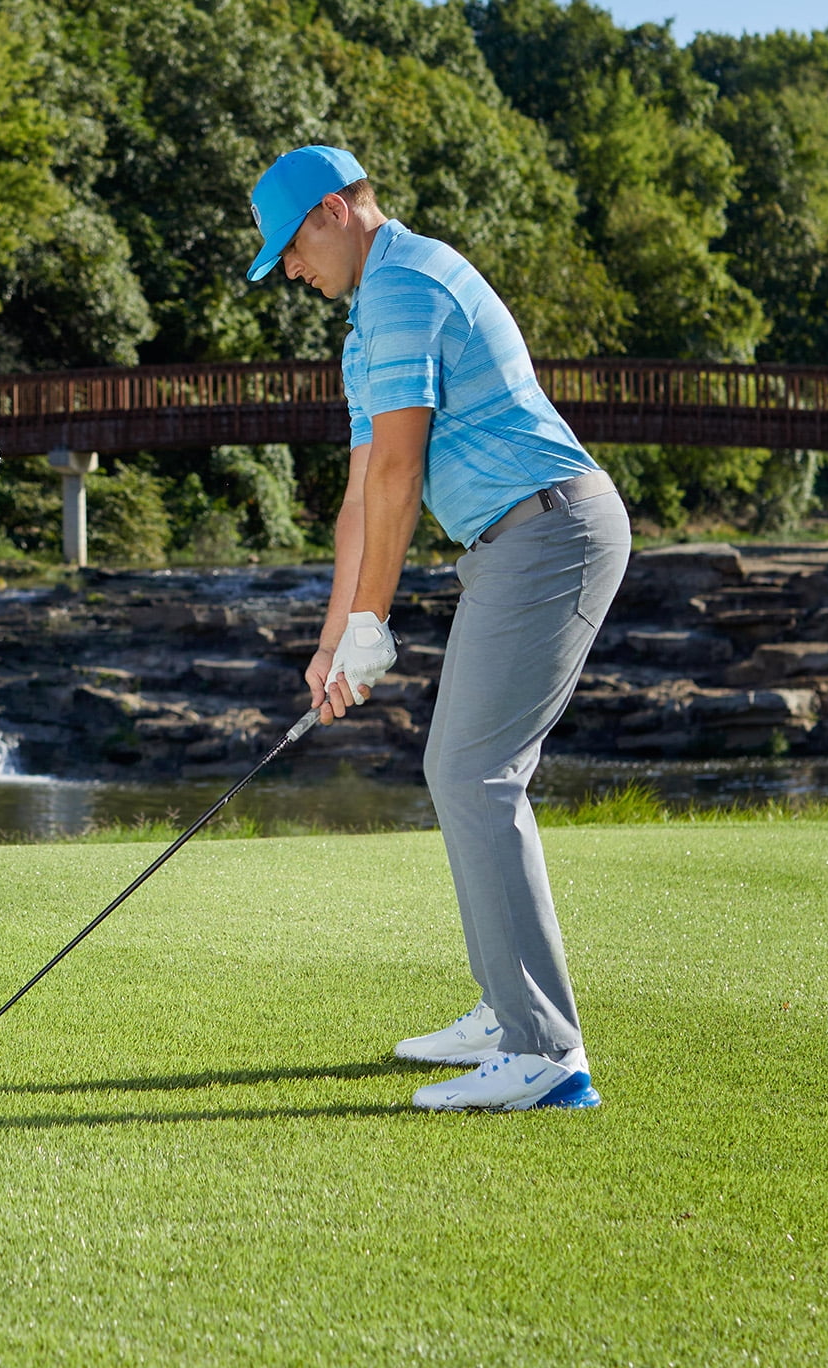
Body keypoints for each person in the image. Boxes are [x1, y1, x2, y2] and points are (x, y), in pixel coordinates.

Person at [246, 144, 630, 1111]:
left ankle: (545, 1052)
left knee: (473, 772)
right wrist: (335, 639)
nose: (290, 271)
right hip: (514, 542)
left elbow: (400, 473)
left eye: (290, 249)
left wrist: (373, 622)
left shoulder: (406, 285)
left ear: (333, 212)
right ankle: (508, 1013)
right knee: (459, 769)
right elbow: (359, 498)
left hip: (553, 531)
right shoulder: (365, 324)